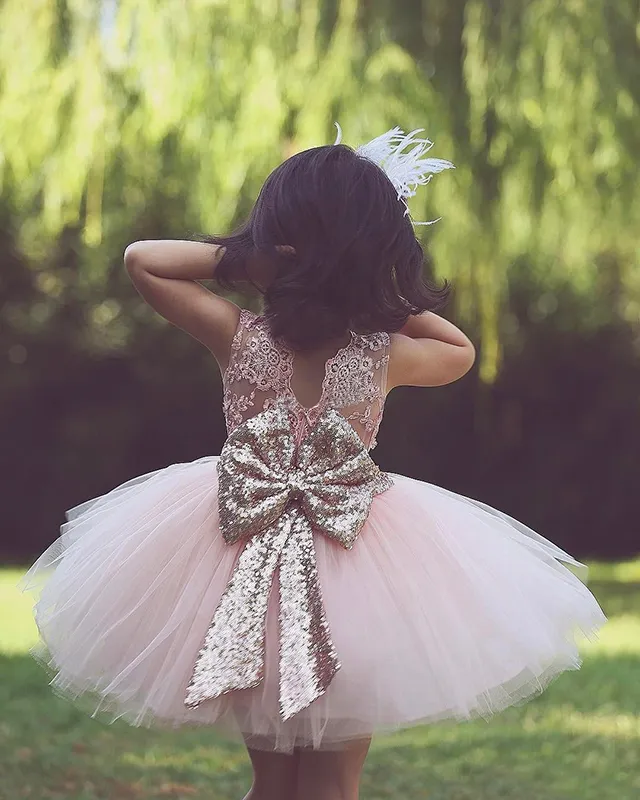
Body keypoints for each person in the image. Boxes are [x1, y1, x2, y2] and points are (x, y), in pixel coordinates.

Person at [20, 128, 606, 800]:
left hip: (240, 552)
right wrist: (375, 281)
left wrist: (248, 259)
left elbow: (144, 260)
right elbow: (457, 348)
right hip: (356, 560)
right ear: (382, 251)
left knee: (272, 782)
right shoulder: (389, 353)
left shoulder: (236, 334)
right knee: (333, 783)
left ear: (276, 245)